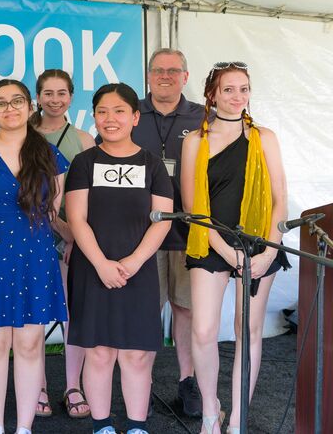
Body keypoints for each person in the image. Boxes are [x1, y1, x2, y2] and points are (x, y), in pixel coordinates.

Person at [0, 79, 70, 434]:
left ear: (30, 106)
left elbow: (53, 212)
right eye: (1, 103)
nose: (10, 108)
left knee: (30, 343)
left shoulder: (50, 155)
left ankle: (23, 427)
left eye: (17, 101)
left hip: (34, 258)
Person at [180, 62, 288, 434]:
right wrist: (227, 252)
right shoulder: (195, 140)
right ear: (212, 94)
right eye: (229, 89)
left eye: (244, 89)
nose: (237, 96)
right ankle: (212, 412)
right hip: (211, 243)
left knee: (250, 331)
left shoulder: (265, 137)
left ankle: (238, 417)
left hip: (260, 245)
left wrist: (269, 253)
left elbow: (280, 200)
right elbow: (193, 208)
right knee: (204, 331)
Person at [66, 83, 173, 434]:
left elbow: (161, 220)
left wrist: (135, 261)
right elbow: (77, 219)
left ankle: (137, 426)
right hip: (92, 268)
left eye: (119, 111)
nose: (110, 119)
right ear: (94, 116)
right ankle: (102, 426)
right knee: (98, 352)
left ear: (135, 116)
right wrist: (101, 264)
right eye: (102, 112)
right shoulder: (84, 162)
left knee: (136, 354)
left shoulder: (153, 165)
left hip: (137, 270)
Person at [131, 48, 205, 417]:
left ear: (185, 77)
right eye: (158, 70)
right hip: (143, 232)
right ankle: (139, 385)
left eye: (173, 70)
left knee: (186, 309)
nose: (165, 76)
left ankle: (188, 382)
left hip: (189, 232)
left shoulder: (203, 118)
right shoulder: (130, 113)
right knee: (146, 309)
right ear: (147, 76)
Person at [30, 69, 95, 419]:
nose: (54, 100)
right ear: (37, 97)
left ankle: (73, 385)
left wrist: (75, 236)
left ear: (71, 97)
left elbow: (91, 197)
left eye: (62, 93)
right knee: (36, 315)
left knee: (74, 314)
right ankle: (37, 384)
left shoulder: (84, 140)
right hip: (33, 237)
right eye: (48, 93)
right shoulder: (21, 136)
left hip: (72, 238)